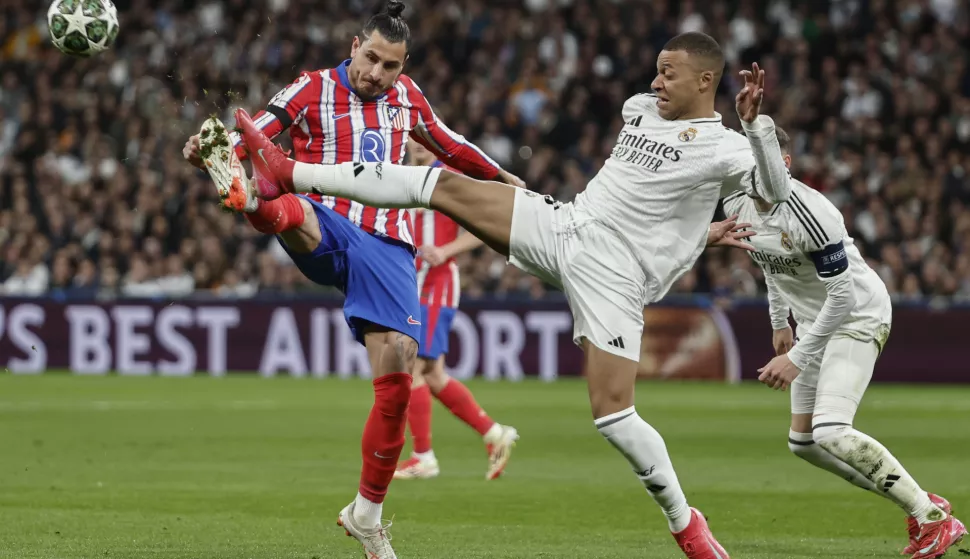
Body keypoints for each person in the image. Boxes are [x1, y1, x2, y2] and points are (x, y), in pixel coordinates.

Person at [222, 31, 782, 559]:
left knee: (614, 417)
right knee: (437, 185)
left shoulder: (728, 149)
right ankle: (289, 172)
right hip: (567, 225)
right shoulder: (639, 109)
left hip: (616, 277)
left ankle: (686, 524)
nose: (655, 83)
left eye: (669, 74)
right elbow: (645, 194)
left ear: (706, 82)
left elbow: (772, 190)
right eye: (657, 72)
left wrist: (754, 134)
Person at [183, 2, 522, 558]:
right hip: (330, 223)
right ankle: (249, 194)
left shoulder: (408, 98)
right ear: (353, 46)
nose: (377, 74)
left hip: (389, 248)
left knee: (398, 373)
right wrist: (222, 147)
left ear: (402, 66)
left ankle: (367, 515)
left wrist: (502, 176)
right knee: (294, 207)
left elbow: (452, 145)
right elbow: (262, 126)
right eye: (371, 59)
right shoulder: (311, 88)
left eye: (390, 66)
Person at [723, 126, 966, 559]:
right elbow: (768, 262)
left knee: (832, 430)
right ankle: (922, 502)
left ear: (785, 165)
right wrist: (780, 321)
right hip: (814, 320)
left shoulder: (814, 213)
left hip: (856, 316)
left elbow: (843, 296)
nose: (757, 170)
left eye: (767, 161)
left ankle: (932, 520)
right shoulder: (736, 202)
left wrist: (798, 355)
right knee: (804, 443)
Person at [396, 138, 519, 482]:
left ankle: (423, 456)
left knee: (411, 365)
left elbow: (485, 226)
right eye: (414, 140)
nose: (419, 148)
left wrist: (447, 249)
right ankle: (494, 433)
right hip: (411, 284)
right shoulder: (398, 176)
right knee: (432, 374)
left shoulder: (449, 178)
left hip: (437, 284)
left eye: (425, 142)